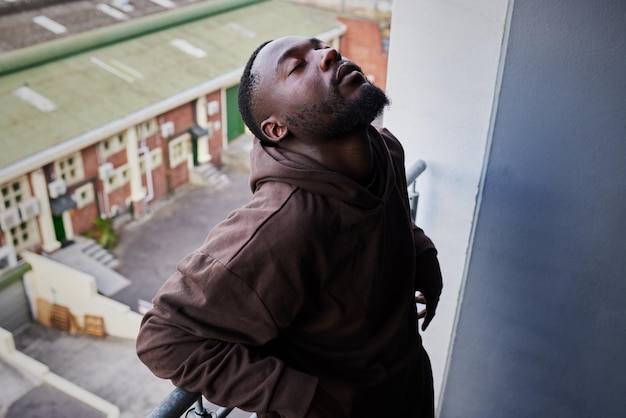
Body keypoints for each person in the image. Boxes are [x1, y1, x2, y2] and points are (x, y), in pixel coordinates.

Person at [136, 36, 443, 418]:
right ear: (277, 129)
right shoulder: (283, 224)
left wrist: (423, 257)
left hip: (409, 387)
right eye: (297, 66)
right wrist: (302, 398)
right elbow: (163, 338)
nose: (329, 54)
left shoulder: (383, 148)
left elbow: (390, 214)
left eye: (320, 47)